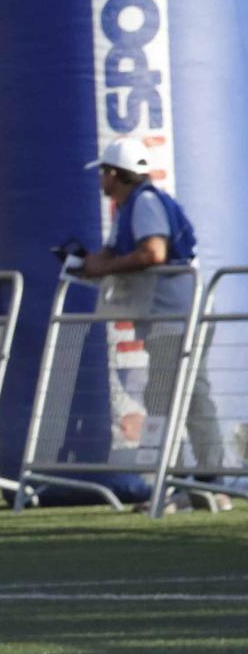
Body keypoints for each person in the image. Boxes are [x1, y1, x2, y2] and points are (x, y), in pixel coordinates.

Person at [79, 136, 227, 506]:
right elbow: (125, 252)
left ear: (114, 173)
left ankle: (177, 485)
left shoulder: (142, 203)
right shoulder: (134, 205)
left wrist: (104, 267)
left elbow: (153, 252)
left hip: (173, 316)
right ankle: (209, 482)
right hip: (174, 315)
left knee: (166, 398)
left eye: (103, 173)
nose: (100, 179)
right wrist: (95, 264)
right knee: (190, 397)